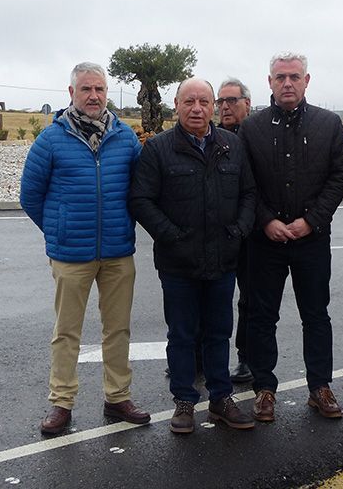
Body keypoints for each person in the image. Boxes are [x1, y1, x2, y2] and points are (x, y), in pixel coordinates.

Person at [20, 61, 150, 435]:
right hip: (70, 255)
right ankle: (62, 402)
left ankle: (117, 397)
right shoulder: (51, 140)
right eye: (86, 89)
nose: (94, 96)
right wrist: (59, 230)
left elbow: (139, 191)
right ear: (71, 93)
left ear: (107, 93)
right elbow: (30, 195)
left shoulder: (125, 138)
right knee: (67, 331)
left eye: (100, 89)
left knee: (118, 329)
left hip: (117, 252)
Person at [129, 77, 256, 434]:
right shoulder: (158, 149)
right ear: (176, 105)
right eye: (189, 102)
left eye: (204, 102)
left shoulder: (232, 145)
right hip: (178, 264)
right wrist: (171, 236)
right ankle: (184, 400)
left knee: (219, 332)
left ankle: (221, 398)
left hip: (223, 260)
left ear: (213, 106)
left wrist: (239, 231)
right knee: (182, 335)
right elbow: (141, 200)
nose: (197, 109)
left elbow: (249, 193)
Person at [239, 52, 343, 422]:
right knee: (261, 317)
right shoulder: (251, 128)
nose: (287, 83)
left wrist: (311, 220)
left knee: (316, 315)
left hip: (311, 240)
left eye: (294, 76)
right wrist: (265, 221)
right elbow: (245, 182)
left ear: (307, 80)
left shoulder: (328, 124)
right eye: (280, 77)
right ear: (269, 82)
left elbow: (339, 176)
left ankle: (320, 386)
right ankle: (264, 388)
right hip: (265, 241)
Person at [216, 78, 254, 383]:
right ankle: (200, 357)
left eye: (232, 101)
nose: (225, 107)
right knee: (210, 298)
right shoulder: (209, 136)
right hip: (216, 233)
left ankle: (246, 357)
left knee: (250, 299)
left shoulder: (256, 137)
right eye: (221, 102)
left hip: (251, 232)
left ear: (247, 104)